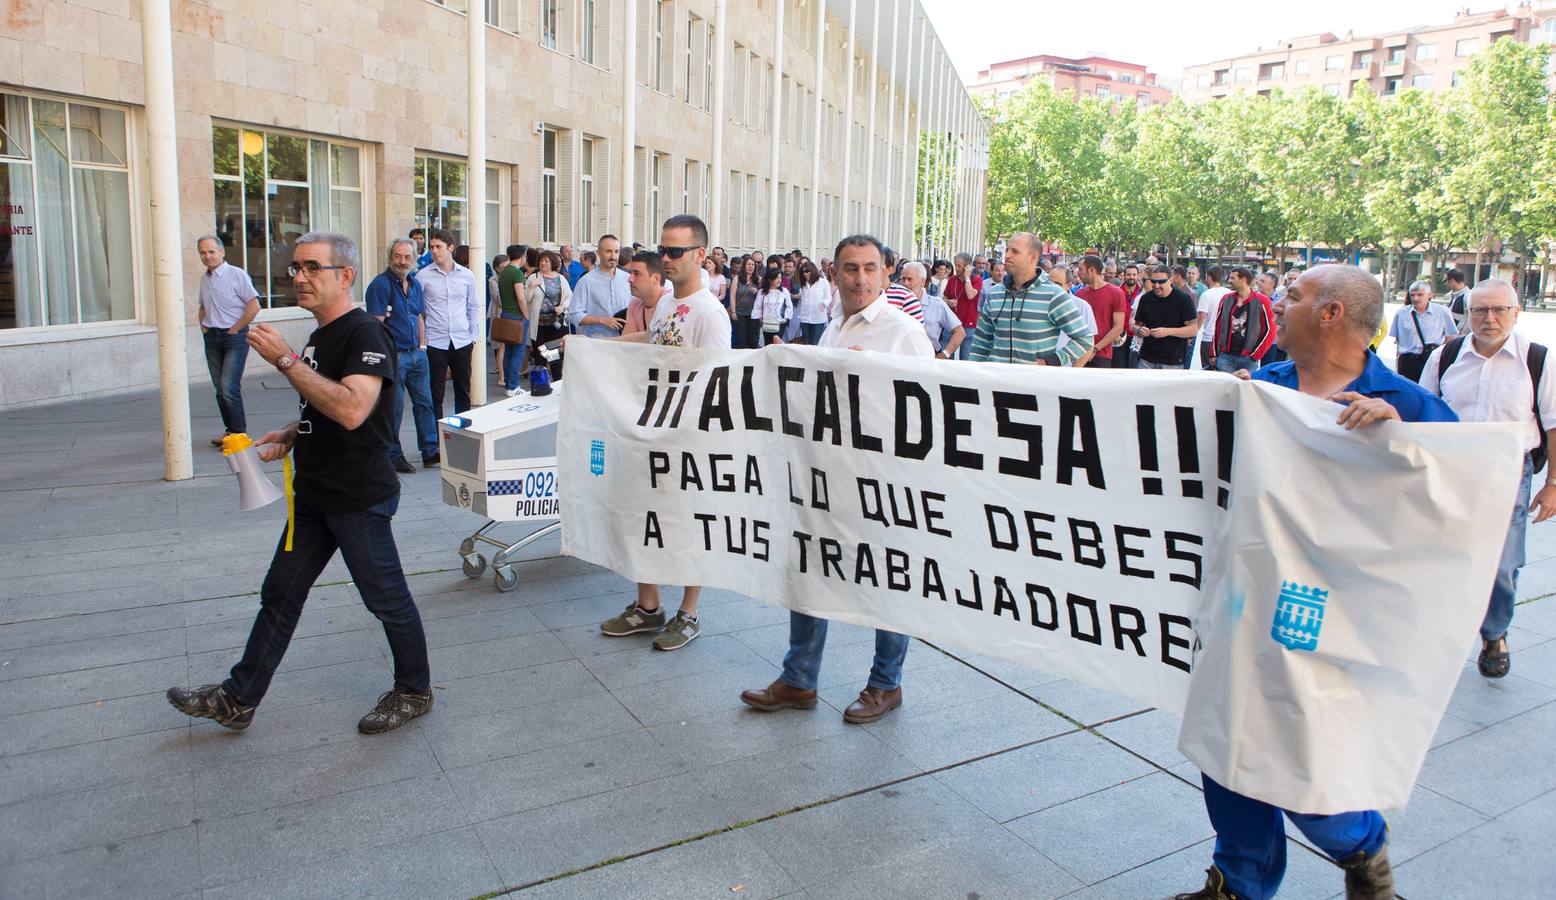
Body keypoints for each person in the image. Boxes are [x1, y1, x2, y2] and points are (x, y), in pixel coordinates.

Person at [1176, 264, 1454, 900]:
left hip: (1330, 612)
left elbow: (1468, 488)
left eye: (1293, 294)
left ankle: (1359, 844)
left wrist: (1408, 443)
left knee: (1298, 749)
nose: (1278, 298)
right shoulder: (1264, 384)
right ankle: (1240, 881)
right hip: (1243, 598)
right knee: (1226, 741)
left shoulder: (1408, 404)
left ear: (1331, 314)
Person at [167, 231, 433, 735]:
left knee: (386, 597)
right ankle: (238, 698)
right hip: (314, 495)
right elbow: (330, 402)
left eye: (314, 268)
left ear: (346, 276)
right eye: (296, 268)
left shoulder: (364, 335)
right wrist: (294, 432)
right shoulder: (321, 335)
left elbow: (355, 409)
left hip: (357, 497)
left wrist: (285, 361)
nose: (301, 278)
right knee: (280, 594)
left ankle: (414, 689)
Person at [739, 235, 932, 724]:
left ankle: (886, 684)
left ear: (886, 274)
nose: (860, 279)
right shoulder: (833, 328)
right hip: (826, 476)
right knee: (809, 569)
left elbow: (927, 413)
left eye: (870, 268)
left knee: (886, 579)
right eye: (850, 269)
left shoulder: (902, 331)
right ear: (834, 274)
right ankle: (799, 679)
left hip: (880, 481)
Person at [598, 218, 731, 651]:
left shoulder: (710, 313)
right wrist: (598, 347)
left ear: (699, 255)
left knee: (688, 524)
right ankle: (648, 605)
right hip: (653, 429)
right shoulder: (671, 302)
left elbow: (716, 381)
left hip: (687, 438)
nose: (668, 259)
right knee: (643, 517)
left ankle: (689, 612)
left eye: (676, 252)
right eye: (664, 250)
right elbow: (655, 341)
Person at [1420, 279, 1556, 680]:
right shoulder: (1445, 356)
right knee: (1442, 555)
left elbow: (1552, 424)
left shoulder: (1538, 359)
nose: (1489, 319)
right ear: (1468, 313)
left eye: (1499, 310)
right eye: (1480, 310)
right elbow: (1420, 411)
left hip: (1509, 473)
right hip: (1450, 471)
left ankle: (1494, 633)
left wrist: (1553, 485)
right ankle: (1440, 633)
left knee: (1502, 562)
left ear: (1516, 313)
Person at [365, 238, 438, 473]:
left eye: (407, 257)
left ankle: (430, 451)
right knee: (393, 408)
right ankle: (393, 455)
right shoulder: (380, 285)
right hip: (394, 355)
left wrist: (422, 346)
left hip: (417, 354)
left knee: (425, 404)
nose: (402, 261)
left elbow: (418, 317)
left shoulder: (415, 284)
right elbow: (376, 325)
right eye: (397, 256)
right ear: (390, 257)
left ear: (414, 259)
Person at [969, 232, 1092, 366]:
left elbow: (1084, 339)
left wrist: (1052, 361)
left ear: (1033, 258)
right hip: (996, 383)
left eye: (1015, 251)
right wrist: (975, 378)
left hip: (1036, 384)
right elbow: (981, 344)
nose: (1007, 255)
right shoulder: (994, 294)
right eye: (1007, 250)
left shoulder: (1054, 294)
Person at [195, 234, 261, 447]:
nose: (207, 256)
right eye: (203, 253)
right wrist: (204, 326)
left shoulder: (236, 275)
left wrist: (236, 328)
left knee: (229, 385)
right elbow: (203, 306)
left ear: (222, 252)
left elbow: (254, 305)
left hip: (233, 337)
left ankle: (239, 435)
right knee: (219, 388)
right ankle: (230, 431)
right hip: (212, 337)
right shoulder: (205, 278)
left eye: (211, 252)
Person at [416, 229, 481, 418]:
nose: (434, 251)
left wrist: (473, 336)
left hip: (462, 340)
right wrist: (423, 340)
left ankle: (463, 433)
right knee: (436, 393)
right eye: (432, 247)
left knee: (463, 390)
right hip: (435, 341)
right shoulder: (423, 276)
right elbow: (419, 311)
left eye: (438, 247)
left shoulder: (466, 275)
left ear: (450, 248)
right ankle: (437, 439)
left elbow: (473, 306)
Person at [1208, 266, 1276, 375]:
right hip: (1226, 356)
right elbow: (1218, 327)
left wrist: (1255, 355)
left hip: (1248, 358)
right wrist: (1213, 353)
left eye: (1232, 278)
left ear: (1243, 280)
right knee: (1225, 389)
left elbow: (1270, 331)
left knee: (1246, 390)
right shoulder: (1226, 299)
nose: (1229, 281)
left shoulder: (1262, 301)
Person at [1132, 264, 1198, 369]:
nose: (1156, 285)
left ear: (1170, 280)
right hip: (1147, 358)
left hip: (1172, 360)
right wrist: (1139, 330)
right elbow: (1136, 326)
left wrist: (1167, 331)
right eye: (1153, 281)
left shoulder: (1183, 299)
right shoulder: (1145, 299)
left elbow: (1193, 330)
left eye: (1161, 282)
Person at [1389, 280, 1456, 383]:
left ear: (1429, 295)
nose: (1415, 298)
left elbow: (1451, 337)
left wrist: (1442, 357)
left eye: (1420, 295)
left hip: (1431, 360)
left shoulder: (1442, 312)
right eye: (1412, 295)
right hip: (1407, 361)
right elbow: (1398, 340)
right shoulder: (1401, 314)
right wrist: (1398, 362)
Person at [567, 234, 631, 339]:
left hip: (624, 343)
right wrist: (602, 320)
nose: (613, 256)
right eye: (608, 251)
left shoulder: (628, 279)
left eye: (616, 251)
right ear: (598, 253)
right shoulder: (586, 282)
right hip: (596, 344)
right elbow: (573, 315)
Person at [1074, 254, 1129, 370]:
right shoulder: (1079, 294)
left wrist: (1095, 348)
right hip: (1079, 352)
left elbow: (1118, 327)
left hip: (1101, 355)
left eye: (1080, 269)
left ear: (1091, 270)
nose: (1078, 272)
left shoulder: (1116, 293)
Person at [901, 261, 965, 359]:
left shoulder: (936, 304)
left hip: (928, 359)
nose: (905, 283)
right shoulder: (894, 302)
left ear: (922, 282)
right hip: (901, 358)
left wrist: (945, 354)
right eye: (903, 279)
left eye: (910, 279)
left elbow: (960, 332)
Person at [526, 249, 573, 367]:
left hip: (555, 323)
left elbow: (569, 296)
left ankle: (556, 382)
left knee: (554, 357)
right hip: (538, 324)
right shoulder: (533, 277)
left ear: (552, 263)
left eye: (546, 261)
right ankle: (540, 384)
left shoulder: (561, 279)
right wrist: (531, 287)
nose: (543, 263)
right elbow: (526, 299)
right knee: (540, 356)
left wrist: (563, 307)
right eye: (541, 261)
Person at [495, 243, 529, 392]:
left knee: (508, 351)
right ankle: (513, 386)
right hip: (517, 317)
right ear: (522, 256)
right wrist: (526, 316)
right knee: (518, 353)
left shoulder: (504, 272)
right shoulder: (517, 273)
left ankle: (509, 385)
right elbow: (521, 298)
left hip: (505, 315)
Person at [1194, 267, 1233, 370]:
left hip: (1209, 338)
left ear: (1209, 277)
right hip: (1226, 339)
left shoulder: (1206, 295)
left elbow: (1201, 317)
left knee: (1208, 369)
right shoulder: (1230, 293)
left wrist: (1193, 333)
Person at [1113, 263, 1146, 369]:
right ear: (1123, 276)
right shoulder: (1116, 292)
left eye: (1134, 274)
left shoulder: (1143, 293)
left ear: (1138, 276)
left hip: (1136, 337)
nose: (1131, 277)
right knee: (1120, 367)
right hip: (1120, 336)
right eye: (1128, 274)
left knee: (1134, 368)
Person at [753, 267, 793, 346]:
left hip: (779, 323)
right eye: (777, 278)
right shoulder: (762, 292)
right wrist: (760, 319)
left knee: (777, 344)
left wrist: (785, 318)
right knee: (767, 344)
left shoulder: (784, 291)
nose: (779, 280)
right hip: (766, 322)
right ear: (770, 279)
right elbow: (757, 306)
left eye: (780, 278)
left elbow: (789, 306)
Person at [795, 260, 832, 345]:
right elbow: (803, 300)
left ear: (813, 270)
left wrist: (824, 304)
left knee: (815, 343)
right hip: (805, 318)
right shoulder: (803, 285)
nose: (806, 274)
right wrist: (801, 318)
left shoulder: (823, 282)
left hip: (818, 318)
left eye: (808, 271)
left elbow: (828, 297)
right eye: (803, 272)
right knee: (806, 343)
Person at [883, 247, 924, 322]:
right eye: (854, 268)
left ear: (890, 270)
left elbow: (919, 332)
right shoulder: (858, 295)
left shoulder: (907, 298)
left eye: (872, 267)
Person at [1444, 268, 1472, 334]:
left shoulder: (1468, 296)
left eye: (1444, 281)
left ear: (1452, 281)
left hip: (1461, 337)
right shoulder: (1453, 295)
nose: (1444, 284)